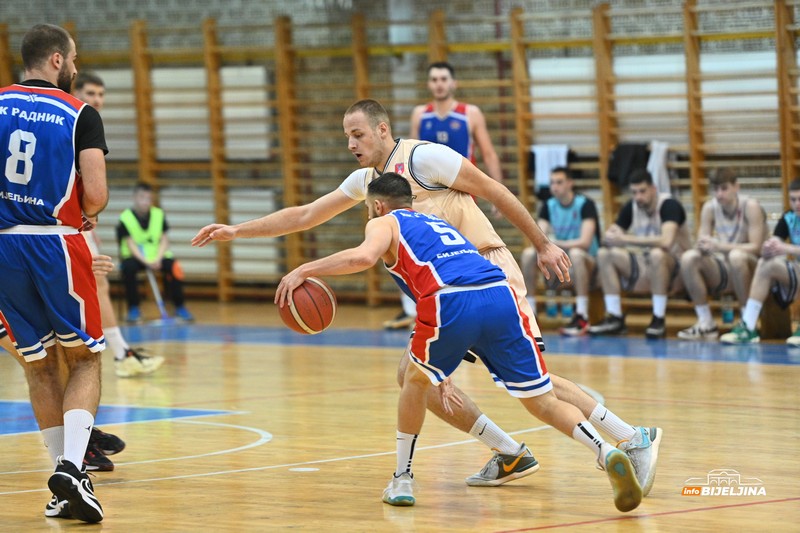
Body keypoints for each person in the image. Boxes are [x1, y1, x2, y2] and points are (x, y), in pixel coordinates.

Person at [192, 99, 661, 494]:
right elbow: (305, 215)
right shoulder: (369, 187)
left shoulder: (423, 159)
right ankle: (511, 453)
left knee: (534, 384)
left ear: (381, 129)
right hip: (444, 296)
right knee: (415, 377)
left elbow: (494, 190)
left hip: (489, 269)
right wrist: (238, 230)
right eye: (346, 137)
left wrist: (541, 244)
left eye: (358, 134)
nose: (351, 145)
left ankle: (630, 436)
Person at [275, 174, 643, 511]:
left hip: (450, 298)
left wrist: (304, 269)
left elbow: (363, 257)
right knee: (542, 400)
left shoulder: (382, 222)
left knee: (414, 382)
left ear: (376, 205)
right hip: (500, 294)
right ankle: (604, 449)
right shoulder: (436, 222)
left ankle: (402, 479)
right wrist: (444, 366)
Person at [0, 23, 106, 523]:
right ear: (58, 61)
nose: (78, 67)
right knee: (84, 360)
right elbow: (98, 195)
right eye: (76, 59)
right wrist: (82, 211)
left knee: (38, 364)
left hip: (3, 247)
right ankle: (72, 467)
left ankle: (64, 488)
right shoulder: (80, 112)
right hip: (55, 242)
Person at [383, 61, 506, 330]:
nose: (439, 83)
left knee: (469, 254)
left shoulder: (469, 113)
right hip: (427, 199)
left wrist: (497, 192)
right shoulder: (420, 114)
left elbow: (488, 153)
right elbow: (406, 154)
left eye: (443, 79)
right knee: (416, 254)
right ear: (429, 84)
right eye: (434, 79)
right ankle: (419, 312)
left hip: (462, 195)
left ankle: (474, 313)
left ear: (453, 83)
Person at [73, 72, 165, 378]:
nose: (97, 100)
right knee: (96, 284)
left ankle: (119, 351)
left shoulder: (83, 123)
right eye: (91, 93)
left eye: (101, 94)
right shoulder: (74, 123)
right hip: (63, 224)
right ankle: (120, 353)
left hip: (76, 222)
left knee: (96, 283)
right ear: (76, 91)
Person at [588, 169, 691, 339]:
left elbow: (666, 242)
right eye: (634, 192)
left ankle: (658, 318)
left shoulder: (669, 205)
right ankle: (615, 317)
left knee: (658, 253)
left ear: (653, 188)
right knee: (604, 254)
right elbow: (614, 236)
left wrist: (625, 239)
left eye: (642, 191)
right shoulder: (631, 206)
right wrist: (610, 236)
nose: (638, 197)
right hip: (649, 267)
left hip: (678, 272)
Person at [678, 169, 768, 340]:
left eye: (724, 188)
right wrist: (702, 246)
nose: (719, 194)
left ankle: (748, 323)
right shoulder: (709, 207)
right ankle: (706, 323)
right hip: (726, 265)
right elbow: (702, 241)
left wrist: (719, 246)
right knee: (689, 257)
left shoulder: (751, 206)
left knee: (737, 255)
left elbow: (756, 247)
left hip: (754, 268)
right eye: (716, 189)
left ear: (736, 187)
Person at [520, 167, 600, 336]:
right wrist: (548, 244)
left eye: (559, 182)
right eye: (552, 182)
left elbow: (585, 242)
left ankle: (582, 316)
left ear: (570, 183)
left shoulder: (585, 204)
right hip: (561, 263)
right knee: (528, 254)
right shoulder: (548, 206)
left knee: (577, 253)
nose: (554, 187)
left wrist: (554, 243)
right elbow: (539, 239)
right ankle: (531, 312)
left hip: (588, 265)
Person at [720, 178, 800, 345]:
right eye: (793, 200)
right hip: (797, 271)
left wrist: (788, 249)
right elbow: (776, 242)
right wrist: (769, 248)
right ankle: (748, 326)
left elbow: (785, 249)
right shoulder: (789, 217)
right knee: (765, 264)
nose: (797, 204)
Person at [117, 182, 194, 323]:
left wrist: (157, 259)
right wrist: (146, 262)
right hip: (135, 257)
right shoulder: (125, 218)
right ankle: (134, 309)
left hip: (157, 256)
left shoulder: (158, 214)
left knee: (175, 267)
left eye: (148, 198)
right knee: (128, 269)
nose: (145, 202)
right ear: (135, 197)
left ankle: (179, 307)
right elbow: (130, 244)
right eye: (142, 198)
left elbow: (164, 240)